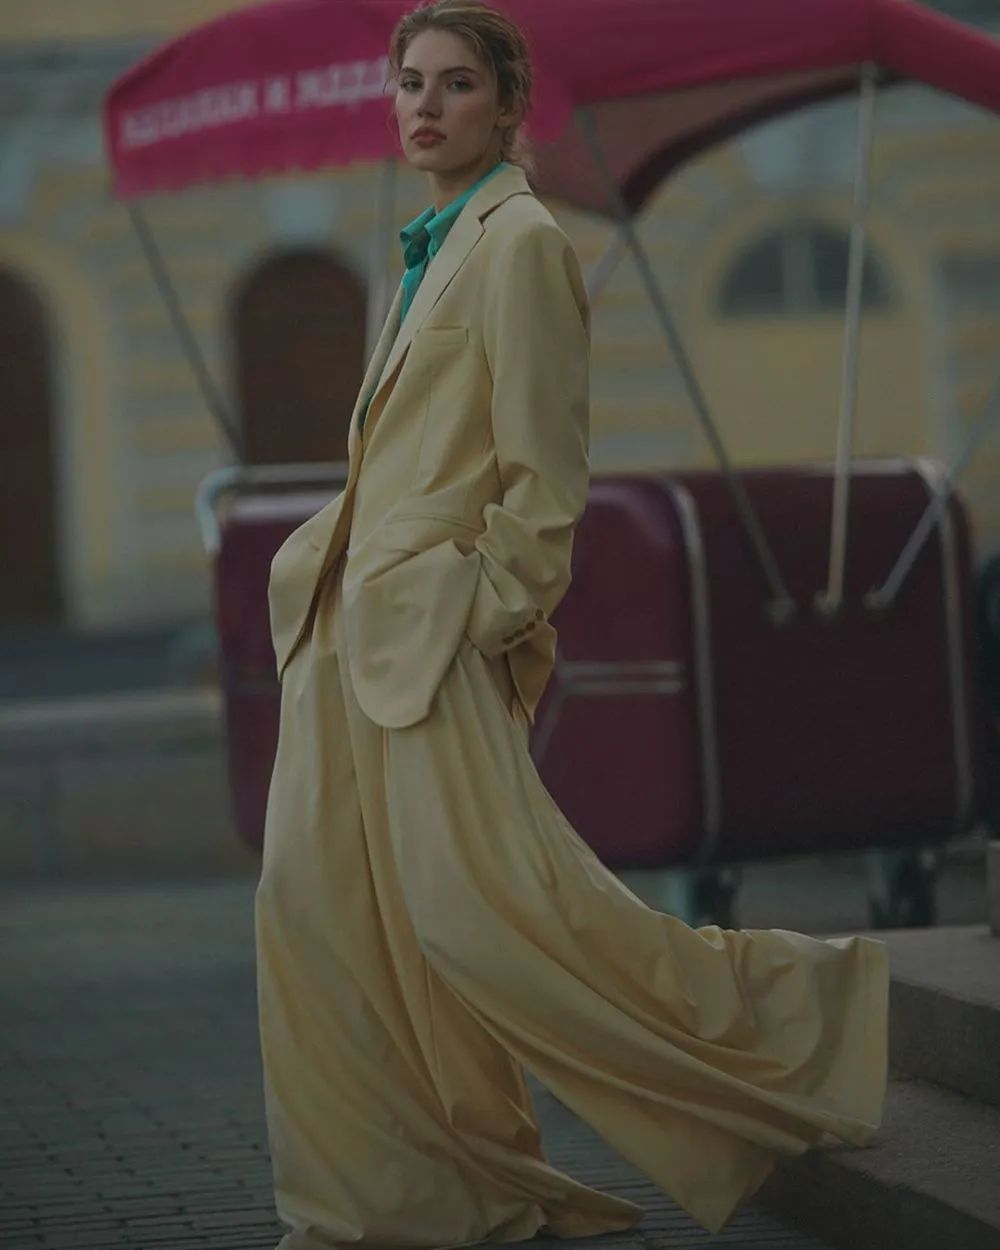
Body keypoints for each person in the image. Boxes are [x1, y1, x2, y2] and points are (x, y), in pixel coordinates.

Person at [254, 3, 890, 1248]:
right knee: (318, 918)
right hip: (340, 630)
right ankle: (403, 1195)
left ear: (507, 106)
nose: (425, 105)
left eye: (456, 84)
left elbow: (545, 475)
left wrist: (483, 612)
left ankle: (802, 1022)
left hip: (428, 636)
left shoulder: (521, 243)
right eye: (409, 82)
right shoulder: (434, 247)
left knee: (494, 919)